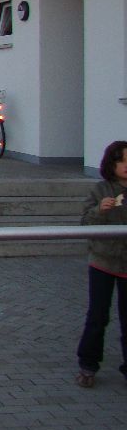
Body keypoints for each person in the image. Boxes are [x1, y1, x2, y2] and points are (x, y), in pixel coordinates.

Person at [75, 140, 127, 387]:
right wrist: (99, 210)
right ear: (111, 164)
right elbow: (85, 222)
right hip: (102, 261)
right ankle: (88, 365)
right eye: (121, 161)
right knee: (98, 315)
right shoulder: (100, 190)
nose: (126, 166)